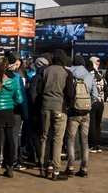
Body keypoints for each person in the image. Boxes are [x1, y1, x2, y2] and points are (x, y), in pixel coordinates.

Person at [36, 50, 74, 181]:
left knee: (45, 137)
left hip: (46, 107)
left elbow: (39, 90)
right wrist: (67, 105)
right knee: (58, 140)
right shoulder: (66, 73)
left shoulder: (45, 71)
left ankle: (43, 166)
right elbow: (70, 93)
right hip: (60, 108)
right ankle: (56, 171)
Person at [64, 55, 96, 178]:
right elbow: (95, 94)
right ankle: (84, 168)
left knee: (71, 140)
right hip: (86, 112)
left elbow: (66, 92)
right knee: (84, 140)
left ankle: (70, 166)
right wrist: (89, 105)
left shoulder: (69, 73)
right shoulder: (89, 75)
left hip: (73, 112)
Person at [87, 57, 105, 153]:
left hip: (93, 102)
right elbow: (106, 89)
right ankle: (98, 144)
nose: (98, 63)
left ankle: (92, 145)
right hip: (101, 102)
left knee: (92, 124)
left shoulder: (89, 74)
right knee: (98, 125)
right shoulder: (100, 75)